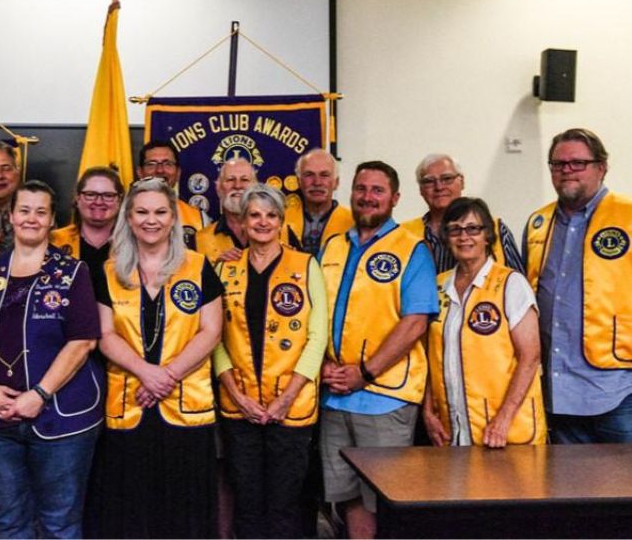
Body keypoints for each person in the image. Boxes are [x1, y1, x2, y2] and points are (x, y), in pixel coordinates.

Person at [0, 180, 103, 539]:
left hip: (61, 419)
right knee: (9, 522)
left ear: (53, 220)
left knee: (59, 523)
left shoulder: (72, 272)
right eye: (24, 210)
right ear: (12, 216)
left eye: (41, 212)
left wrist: (38, 394)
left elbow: (83, 342)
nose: (31, 219)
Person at [91, 177, 224, 538]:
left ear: (173, 218)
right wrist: (146, 374)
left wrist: (166, 376)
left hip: (185, 408)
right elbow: (104, 334)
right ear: (129, 218)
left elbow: (211, 330)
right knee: (132, 510)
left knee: (185, 511)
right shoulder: (108, 270)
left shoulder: (199, 267)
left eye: (160, 212)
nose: (152, 220)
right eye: (142, 212)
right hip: (130, 406)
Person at [318, 161, 438, 539]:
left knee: (385, 500)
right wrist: (323, 365)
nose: (367, 197)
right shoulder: (333, 245)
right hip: (335, 397)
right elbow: (314, 312)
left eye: (377, 190)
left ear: (395, 198)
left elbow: (416, 322)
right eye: (361, 188)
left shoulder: (411, 249)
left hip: (385, 398)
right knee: (349, 497)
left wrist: (365, 372)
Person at [213, 184, 328, 538]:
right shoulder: (225, 270)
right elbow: (215, 339)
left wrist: (286, 399)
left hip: (291, 408)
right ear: (243, 223)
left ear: (281, 221)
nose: (263, 222)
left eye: (271, 215)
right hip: (240, 406)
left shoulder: (306, 265)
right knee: (246, 503)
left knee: (285, 505)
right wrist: (235, 394)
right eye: (254, 215)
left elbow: (317, 337)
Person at [524, 127, 632, 444]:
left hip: (618, 390)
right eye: (558, 164)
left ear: (602, 167)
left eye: (577, 163)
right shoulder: (537, 223)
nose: (566, 171)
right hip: (557, 391)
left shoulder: (628, 217)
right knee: (566, 490)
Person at [423, 197, 545, 448]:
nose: (463, 237)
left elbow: (530, 356)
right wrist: (428, 411)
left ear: (487, 235)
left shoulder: (511, 283)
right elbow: (428, 354)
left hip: (506, 433)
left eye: (473, 229)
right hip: (452, 430)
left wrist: (503, 419)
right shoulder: (438, 286)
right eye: (455, 229)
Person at [401, 153, 524, 274]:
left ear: (462, 182)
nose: (439, 187)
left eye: (447, 179)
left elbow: (517, 283)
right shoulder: (403, 234)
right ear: (420, 189)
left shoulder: (496, 228)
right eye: (429, 181)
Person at [50, 166, 124, 290]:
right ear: (77, 198)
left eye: (108, 195)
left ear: (120, 200)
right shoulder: (53, 242)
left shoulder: (133, 244)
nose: (99, 202)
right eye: (90, 194)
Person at [136, 139, 207, 248]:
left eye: (167, 164)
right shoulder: (125, 214)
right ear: (140, 172)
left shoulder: (199, 218)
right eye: (151, 164)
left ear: (178, 173)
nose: (160, 170)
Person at [284, 148, 354, 258]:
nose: (317, 182)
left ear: (336, 182)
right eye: (309, 175)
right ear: (299, 181)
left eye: (324, 175)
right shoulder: (281, 220)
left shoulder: (353, 222)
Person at [196, 157, 257, 265]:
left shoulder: (281, 233)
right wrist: (218, 269)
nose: (237, 186)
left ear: (255, 188)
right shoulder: (199, 240)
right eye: (230, 180)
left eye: (245, 180)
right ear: (219, 189)